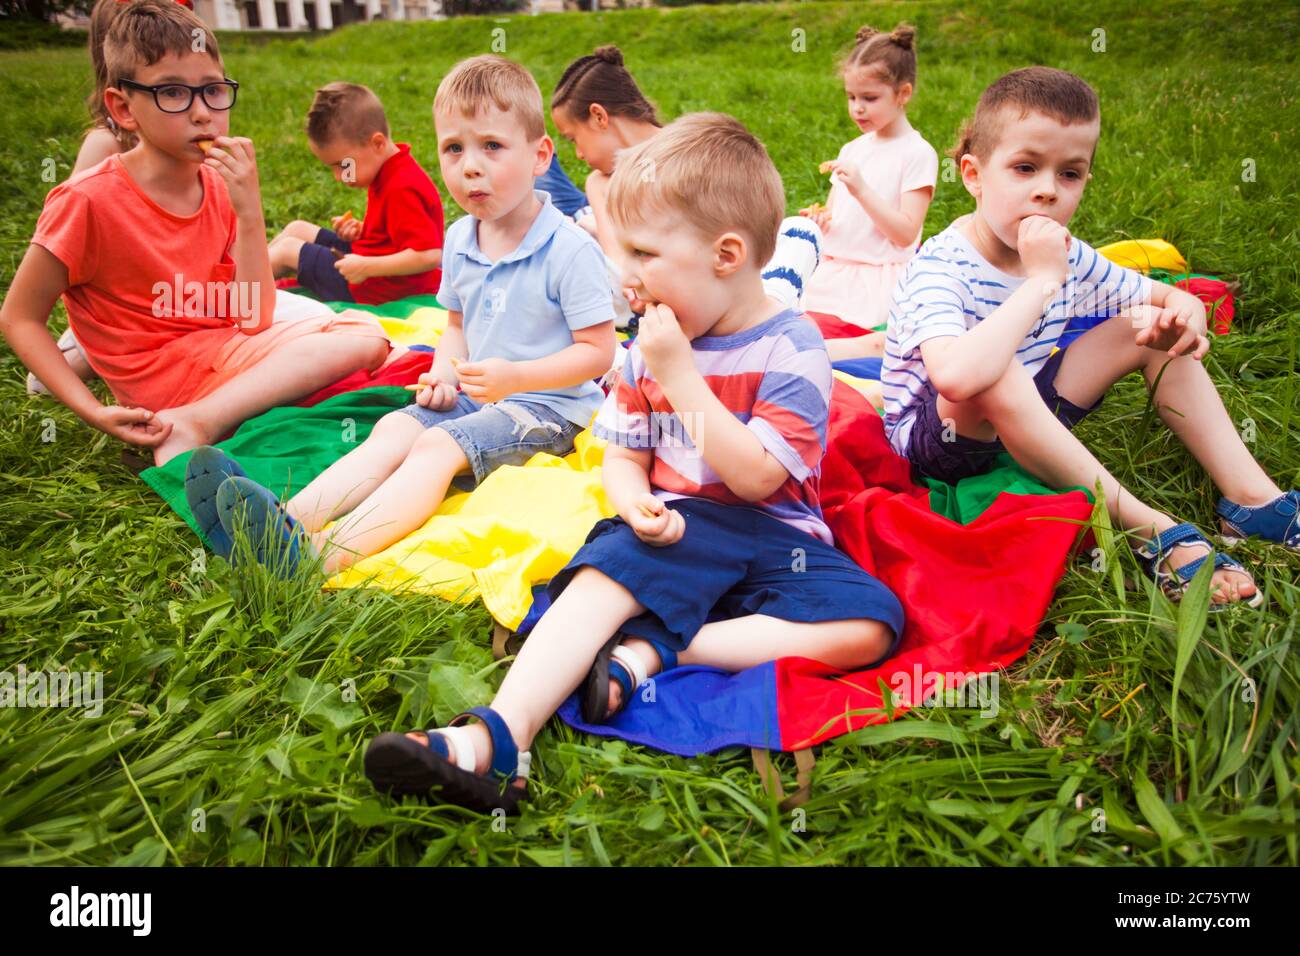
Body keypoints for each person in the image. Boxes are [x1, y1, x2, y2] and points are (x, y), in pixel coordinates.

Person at [362, 113, 905, 816]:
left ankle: (663, 648)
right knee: (605, 574)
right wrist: (630, 501)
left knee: (871, 623)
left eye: (645, 255)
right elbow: (624, 454)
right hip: (678, 529)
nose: (628, 280)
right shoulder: (648, 348)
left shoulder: (790, 347)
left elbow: (756, 480)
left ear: (727, 254)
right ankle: (498, 736)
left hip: (777, 539)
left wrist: (681, 375)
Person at [881, 66, 1298, 609]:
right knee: (993, 368)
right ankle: (1147, 526)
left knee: (1144, 332)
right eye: (1025, 168)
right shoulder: (944, 266)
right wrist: (1044, 280)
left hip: (1026, 408)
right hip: (945, 441)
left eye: (1070, 173)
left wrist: (1184, 314)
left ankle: (1251, 499)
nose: (1047, 191)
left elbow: (1167, 295)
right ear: (973, 174)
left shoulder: (1069, 256)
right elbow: (958, 379)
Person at [185, 55, 618, 576]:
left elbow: (599, 353)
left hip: (549, 408)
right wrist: (441, 373)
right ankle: (280, 522)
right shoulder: (461, 240)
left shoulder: (568, 249)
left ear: (540, 155)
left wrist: (517, 376)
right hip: (479, 395)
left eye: (492, 147)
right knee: (395, 427)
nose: (470, 165)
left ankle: (320, 557)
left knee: (435, 446)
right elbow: (456, 328)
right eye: (454, 148)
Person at [0, 0, 391, 466]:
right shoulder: (87, 200)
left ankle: (206, 414)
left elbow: (251, 318)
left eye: (212, 91)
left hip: (214, 348)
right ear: (123, 108)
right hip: (165, 376)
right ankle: (198, 422)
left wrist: (250, 214)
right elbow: (20, 317)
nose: (202, 113)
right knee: (362, 336)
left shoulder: (215, 185)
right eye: (172, 93)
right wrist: (91, 409)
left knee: (355, 333)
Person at [799, 24, 938, 364]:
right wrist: (821, 221)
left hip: (876, 276)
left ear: (903, 94)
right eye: (852, 97)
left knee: (840, 344)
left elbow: (906, 234)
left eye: (870, 98)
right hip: (833, 270)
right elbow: (836, 215)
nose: (857, 108)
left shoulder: (916, 153)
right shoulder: (853, 148)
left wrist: (862, 190)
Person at [267, 82, 444, 306]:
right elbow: (396, 234)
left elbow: (428, 255)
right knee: (297, 229)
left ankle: (233, 294)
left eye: (343, 165)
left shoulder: (401, 187)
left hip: (378, 288)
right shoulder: (387, 170)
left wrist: (366, 267)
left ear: (377, 143)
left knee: (287, 251)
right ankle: (239, 272)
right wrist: (363, 232)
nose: (338, 176)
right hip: (368, 268)